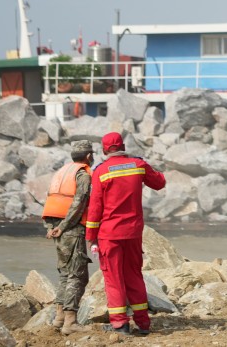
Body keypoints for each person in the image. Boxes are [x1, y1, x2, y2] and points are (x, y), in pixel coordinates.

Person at [86, 132, 166, 335]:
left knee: (114, 279)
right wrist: (146, 166)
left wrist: (90, 237)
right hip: (133, 233)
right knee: (134, 276)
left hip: (109, 234)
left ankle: (120, 324)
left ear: (104, 150)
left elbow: (95, 208)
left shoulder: (101, 171)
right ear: (123, 145)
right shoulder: (138, 165)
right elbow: (159, 183)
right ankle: (143, 323)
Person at [42, 140, 94, 335]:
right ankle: (70, 322)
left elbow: (51, 199)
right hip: (70, 229)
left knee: (65, 273)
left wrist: (52, 227)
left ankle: (59, 318)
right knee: (77, 275)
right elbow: (79, 204)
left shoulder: (62, 172)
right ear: (88, 156)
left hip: (55, 227)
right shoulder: (82, 174)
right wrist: (64, 227)